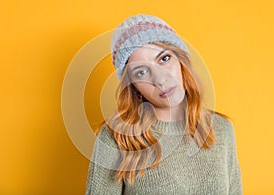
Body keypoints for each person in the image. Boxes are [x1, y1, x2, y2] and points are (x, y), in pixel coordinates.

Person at [85, 14, 242, 195]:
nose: (160, 79)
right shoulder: (115, 140)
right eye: (141, 72)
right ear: (133, 86)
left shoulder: (222, 130)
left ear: (181, 60)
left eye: (164, 59)